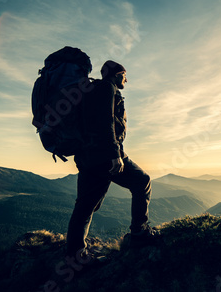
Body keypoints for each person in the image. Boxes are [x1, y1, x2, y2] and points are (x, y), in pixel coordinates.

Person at [66, 60, 159, 258]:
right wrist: (115, 155)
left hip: (87, 157)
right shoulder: (106, 88)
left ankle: (75, 253)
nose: (127, 79)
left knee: (85, 205)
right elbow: (105, 122)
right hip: (104, 156)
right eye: (125, 75)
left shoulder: (90, 91)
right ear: (117, 74)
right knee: (142, 181)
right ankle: (139, 233)